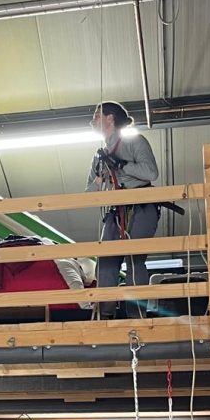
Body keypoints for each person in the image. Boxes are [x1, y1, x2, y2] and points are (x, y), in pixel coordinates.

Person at [87, 101, 159, 319]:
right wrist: (99, 179)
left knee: (134, 260)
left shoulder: (135, 141)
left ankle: (136, 317)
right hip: (114, 211)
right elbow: (89, 192)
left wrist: (121, 165)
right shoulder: (99, 156)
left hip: (141, 205)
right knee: (105, 263)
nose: (92, 121)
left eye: (97, 115)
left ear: (110, 118)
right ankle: (104, 317)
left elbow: (151, 173)